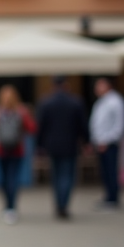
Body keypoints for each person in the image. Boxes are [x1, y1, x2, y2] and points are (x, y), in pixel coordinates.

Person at [36, 76, 88, 219]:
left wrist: (39, 145)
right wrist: (86, 142)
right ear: (66, 85)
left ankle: (59, 204)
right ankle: (63, 205)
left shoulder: (46, 103)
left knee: (56, 176)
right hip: (70, 144)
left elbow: (41, 127)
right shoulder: (75, 102)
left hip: (52, 145)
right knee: (68, 176)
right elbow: (82, 126)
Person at [0, 84, 36, 224]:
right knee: (12, 179)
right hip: (17, 150)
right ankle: (11, 207)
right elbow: (31, 129)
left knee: (4, 179)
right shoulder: (22, 111)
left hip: (1, 150)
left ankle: (8, 206)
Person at [90, 77, 124, 211]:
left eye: (100, 86)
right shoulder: (101, 102)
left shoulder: (115, 101)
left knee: (111, 171)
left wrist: (108, 140)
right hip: (100, 143)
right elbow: (97, 123)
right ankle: (108, 196)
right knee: (105, 172)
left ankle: (113, 198)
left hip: (109, 143)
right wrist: (95, 139)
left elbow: (119, 125)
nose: (97, 89)